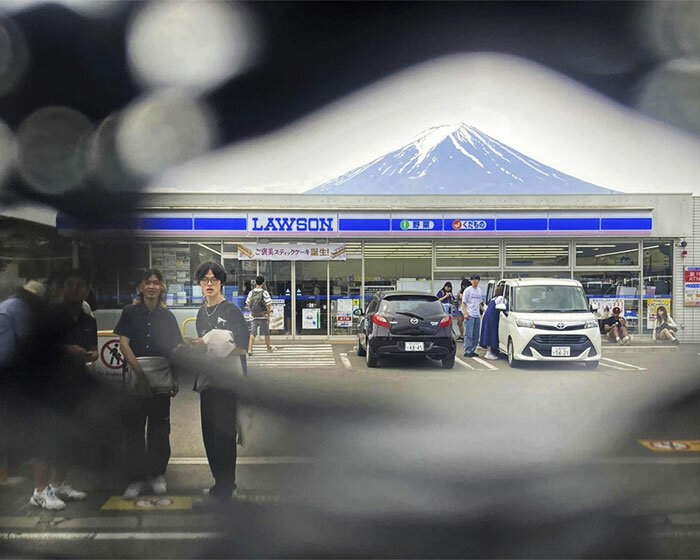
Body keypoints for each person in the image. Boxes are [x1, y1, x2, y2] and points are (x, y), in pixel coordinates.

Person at [114, 269, 183, 498]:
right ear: (141, 287)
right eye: (148, 283)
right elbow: (124, 343)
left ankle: (156, 474)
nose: (152, 286)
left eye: (156, 283)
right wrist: (139, 373)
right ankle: (135, 479)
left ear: (162, 287)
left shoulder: (168, 316)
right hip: (136, 378)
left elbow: (174, 348)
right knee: (133, 430)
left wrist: (174, 376)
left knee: (159, 430)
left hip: (162, 379)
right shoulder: (130, 312)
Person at [192, 261, 249, 501]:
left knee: (224, 436)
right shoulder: (201, 312)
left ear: (221, 282)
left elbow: (243, 348)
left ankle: (229, 485)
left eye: (214, 280)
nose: (209, 284)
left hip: (227, 383)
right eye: (205, 280)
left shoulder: (231, 311)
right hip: (207, 382)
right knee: (210, 436)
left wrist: (214, 344)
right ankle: (219, 482)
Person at [246, 275, 274, 355]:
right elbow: (268, 304)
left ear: (255, 282)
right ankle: (268, 347)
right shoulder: (264, 292)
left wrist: (252, 311)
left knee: (252, 333)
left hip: (254, 316)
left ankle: (250, 349)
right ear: (263, 282)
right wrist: (268, 315)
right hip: (263, 316)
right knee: (266, 333)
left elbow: (248, 303)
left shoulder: (251, 292)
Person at [461, 275, 484, 358]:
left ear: (479, 281)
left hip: (477, 314)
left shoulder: (479, 290)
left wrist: (484, 310)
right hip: (470, 314)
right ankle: (467, 350)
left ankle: (473, 350)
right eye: (473, 280)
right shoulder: (467, 290)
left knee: (476, 334)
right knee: (469, 334)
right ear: (470, 281)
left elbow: (480, 303)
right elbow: (464, 303)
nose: (474, 281)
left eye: (476, 279)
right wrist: (465, 313)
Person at [480, 284, 505, 360]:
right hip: (492, 318)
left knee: (488, 332)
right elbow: (506, 304)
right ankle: (488, 352)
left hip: (488, 317)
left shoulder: (493, 298)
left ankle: (490, 351)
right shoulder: (501, 298)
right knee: (491, 333)